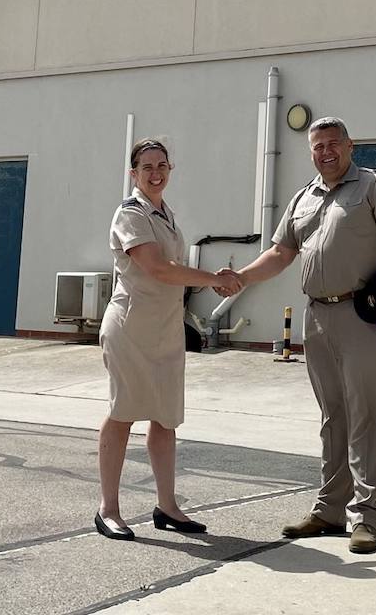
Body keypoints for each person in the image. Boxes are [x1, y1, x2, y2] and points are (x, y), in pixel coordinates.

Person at [229, 117, 376, 554]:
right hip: (318, 316)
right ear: (310, 152)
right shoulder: (304, 197)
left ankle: (365, 516)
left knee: (367, 415)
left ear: (350, 146)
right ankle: (330, 509)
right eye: (318, 146)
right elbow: (280, 253)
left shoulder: (374, 188)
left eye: (333, 144)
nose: (325, 152)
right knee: (334, 417)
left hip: (363, 316)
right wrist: (239, 279)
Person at [96, 137, 241, 541]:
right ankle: (108, 509)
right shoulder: (130, 213)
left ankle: (168, 506)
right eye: (147, 168)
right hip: (131, 327)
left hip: (165, 329)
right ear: (133, 174)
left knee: (165, 417)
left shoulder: (165, 213)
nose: (156, 173)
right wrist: (213, 280)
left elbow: (171, 266)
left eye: (162, 166)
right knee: (123, 412)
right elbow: (157, 268)